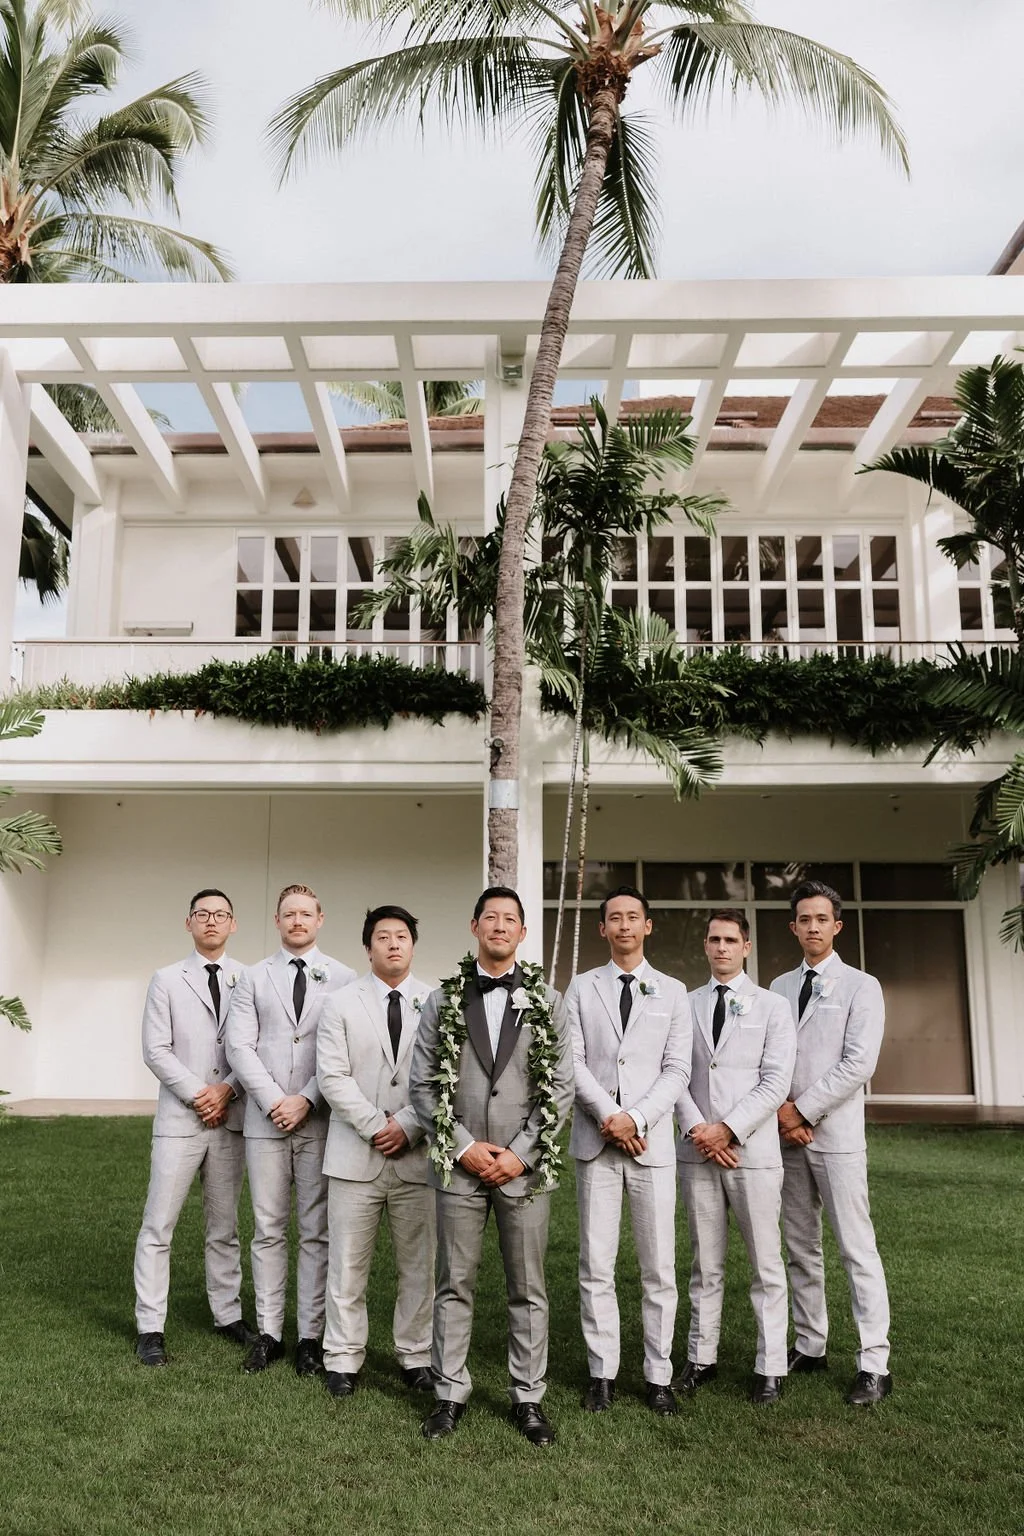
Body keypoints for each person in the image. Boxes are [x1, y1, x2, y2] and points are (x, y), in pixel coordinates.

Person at [408, 887, 574, 1447]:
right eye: (491, 918)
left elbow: (561, 1086)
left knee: (527, 1286)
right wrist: (462, 1146)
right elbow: (423, 1081)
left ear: (523, 933)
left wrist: (521, 1152)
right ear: (474, 926)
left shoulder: (548, 1001)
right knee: (454, 1282)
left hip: (523, 1170)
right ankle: (448, 1392)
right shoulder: (443, 999)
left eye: (510, 919)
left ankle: (528, 1397)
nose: (500, 926)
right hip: (460, 1168)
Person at [566, 885, 689, 1416]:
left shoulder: (674, 990)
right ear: (602, 929)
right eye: (613, 918)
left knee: (658, 1266)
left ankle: (659, 1374)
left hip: (651, 1145)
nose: (623, 926)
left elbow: (677, 1069)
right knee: (596, 1263)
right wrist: (608, 1117)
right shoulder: (580, 987)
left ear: (648, 926)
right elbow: (570, 1063)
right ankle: (602, 1374)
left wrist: (635, 1118)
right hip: (597, 1142)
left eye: (632, 917)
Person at [770, 880, 892, 1407]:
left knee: (855, 1247)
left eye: (822, 919)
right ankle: (810, 1342)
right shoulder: (775, 987)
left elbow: (858, 1063)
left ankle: (874, 1362)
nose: (813, 927)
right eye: (805, 919)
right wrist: (781, 1112)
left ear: (836, 926)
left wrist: (803, 1109)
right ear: (793, 926)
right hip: (784, 1137)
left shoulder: (862, 986)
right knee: (800, 1245)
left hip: (836, 1136)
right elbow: (767, 1057)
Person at [225, 883, 355, 1376]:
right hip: (265, 1119)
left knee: (317, 1230)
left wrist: (306, 1098)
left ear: (320, 919)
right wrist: (275, 1100)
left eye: (305, 913)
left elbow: (345, 1051)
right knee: (267, 1228)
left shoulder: (345, 978)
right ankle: (269, 1332)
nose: (297, 921)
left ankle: (310, 1337)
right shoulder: (253, 978)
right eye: (288, 914)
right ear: (278, 921)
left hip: (321, 1118)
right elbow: (240, 1046)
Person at [675, 909, 796, 1406]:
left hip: (753, 1152)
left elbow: (776, 1082)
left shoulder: (772, 1007)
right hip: (699, 1151)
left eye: (730, 940)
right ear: (704, 946)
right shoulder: (684, 1004)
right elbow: (674, 1074)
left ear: (746, 947)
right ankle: (701, 1358)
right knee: (706, 1262)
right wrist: (699, 1130)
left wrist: (728, 1130)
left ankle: (770, 1367)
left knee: (766, 1263)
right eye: (713, 939)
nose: (721, 947)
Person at [316, 905, 436, 1400]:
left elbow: (439, 1075)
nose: (392, 944)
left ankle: (416, 1355)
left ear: (412, 945)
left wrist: (406, 1126)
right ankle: (343, 1357)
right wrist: (374, 1126)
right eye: (382, 936)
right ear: (368, 948)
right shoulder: (341, 1003)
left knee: (419, 1267)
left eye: (401, 936)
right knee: (346, 1264)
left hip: (417, 1154)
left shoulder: (436, 1002)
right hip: (353, 1154)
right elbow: (332, 1076)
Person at [133, 889, 255, 1366]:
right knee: (158, 1225)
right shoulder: (165, 979)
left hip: (231, 1120)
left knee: (224, 1226)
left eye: (220, 914)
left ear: (233, 923)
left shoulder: (249, 978)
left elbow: (255, 1047)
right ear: (189, 923)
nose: (211, 921)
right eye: (202, 914)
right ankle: (150, 1326)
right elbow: (155, 1049)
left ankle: (227, 1314)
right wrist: (200, 1094)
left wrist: (226, 1090)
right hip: (181, 1119)